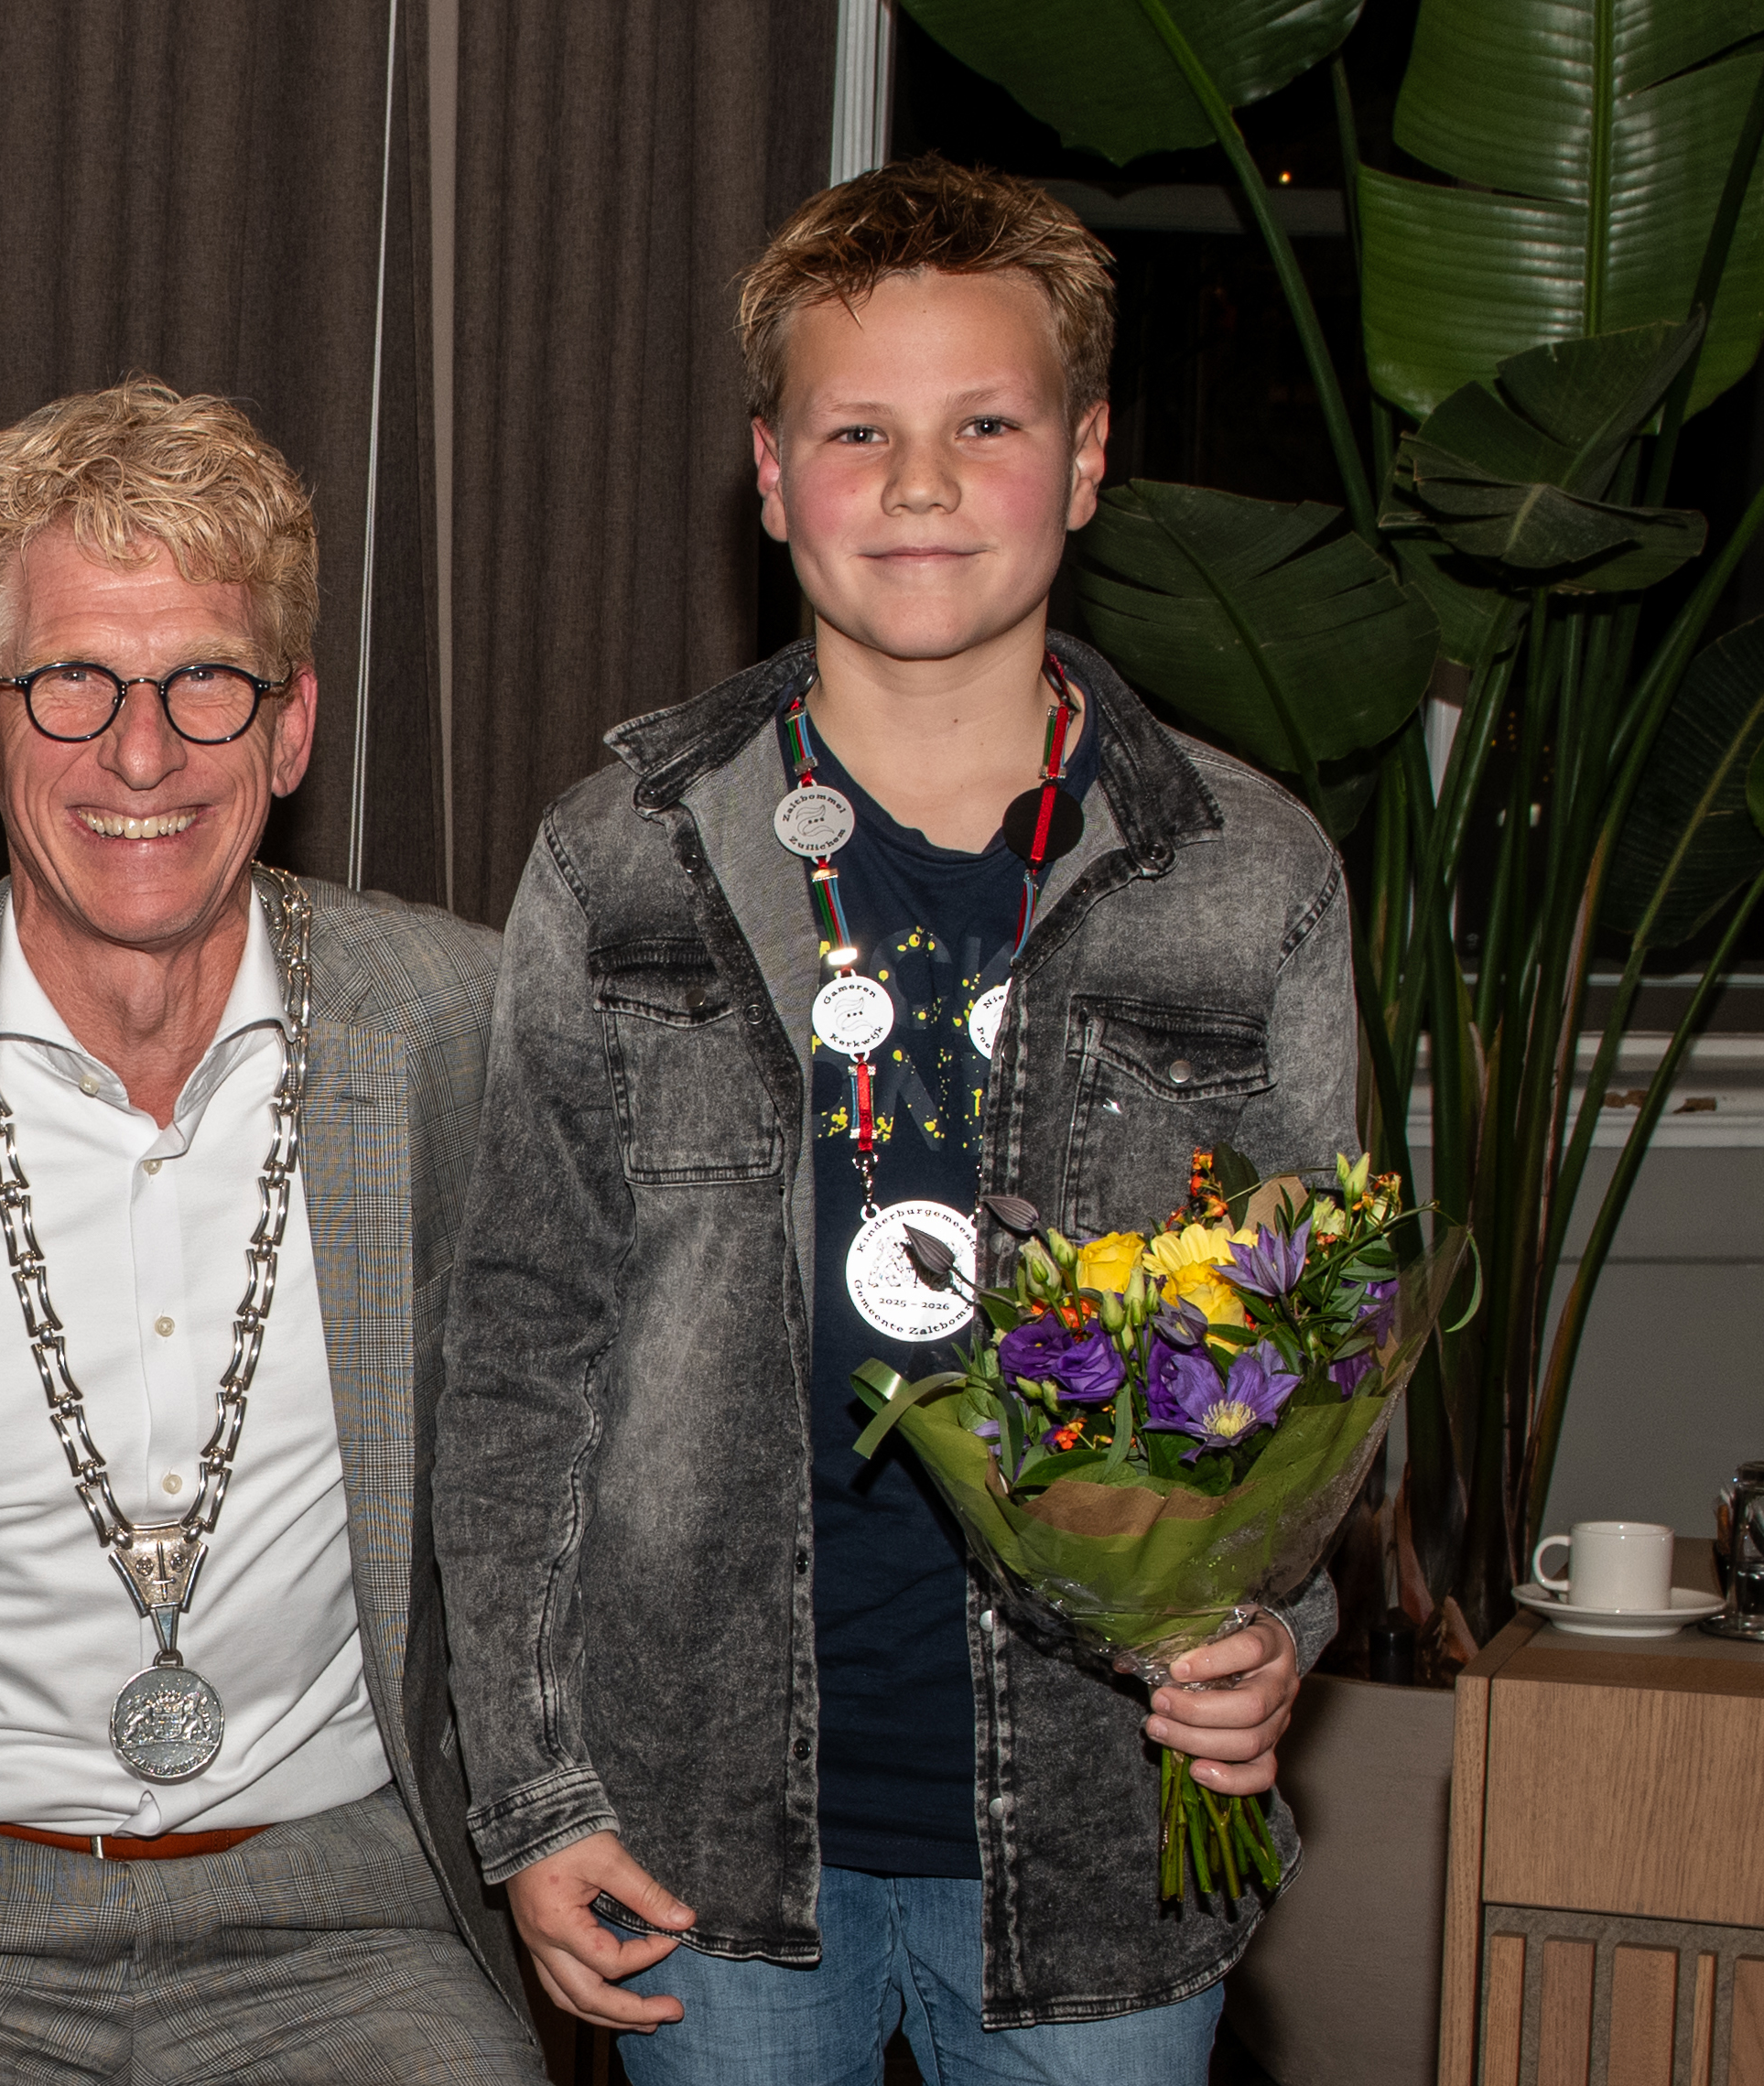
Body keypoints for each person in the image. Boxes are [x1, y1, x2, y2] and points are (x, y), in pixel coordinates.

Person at [435, 158, 1354, 2084]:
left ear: (1082, 461)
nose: (918, 484)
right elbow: (518, 1359)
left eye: (984, 427)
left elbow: (1325, 1344)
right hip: (700, 1850)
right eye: (856, 431)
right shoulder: (618, 862)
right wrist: (535, 1791)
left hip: (1105, 1846)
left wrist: (1276, 1632)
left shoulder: (1248, 872)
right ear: (770, 478)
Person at [0, 379, 542, 2084]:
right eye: (71, 681)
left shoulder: (461, 1026)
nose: (142, 753)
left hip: (350, 1912)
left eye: (206, 682)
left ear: (290, 727)